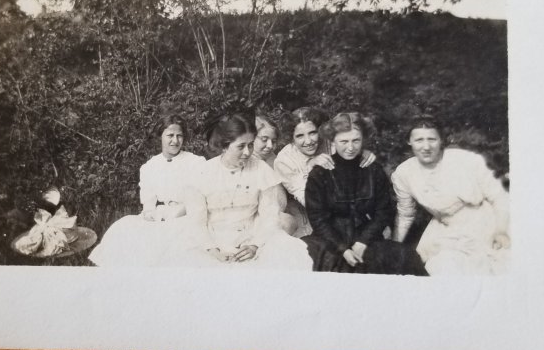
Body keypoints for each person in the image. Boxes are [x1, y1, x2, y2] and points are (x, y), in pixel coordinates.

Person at [172, 112, 313, 270]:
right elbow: (197, 222)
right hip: (212, 240)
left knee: (287, 257)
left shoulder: (260, 169)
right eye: (241, 146)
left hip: (252, 238)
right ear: (225, 146)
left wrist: (255, 245)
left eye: (251, 145)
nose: (247, 152)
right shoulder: (203, 173)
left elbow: (269, 216)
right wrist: (212, 250)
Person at [302, 113, 426, 275]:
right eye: (344, 141)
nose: (350, 147)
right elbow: (318, 219)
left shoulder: (374, 170)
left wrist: (362, 242)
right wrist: (343, 249)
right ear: (333, 141)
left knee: (405, 257)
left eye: (356, 140)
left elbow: (383, 212)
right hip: (330, 240)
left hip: (366, 239)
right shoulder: (319, 173)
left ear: (363, 140)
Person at [390, 115, 510, 275]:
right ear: (409, 141)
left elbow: (498, 196)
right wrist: (395, 248)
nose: (426, 146)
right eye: (419, 140)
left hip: (485, 223)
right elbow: (405, 215)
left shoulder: (465, 160)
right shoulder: (404, 173)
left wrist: (501, 230)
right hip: (444, 229)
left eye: (432, 139)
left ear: (441, 141)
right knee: (439, 269)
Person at [88, 114, 205, 266]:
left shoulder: (195, 163)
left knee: (173, 242)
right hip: (159, 215)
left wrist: (176, 214)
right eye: (170, 135)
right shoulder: (150, 166)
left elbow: (198, 198)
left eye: (179, 136)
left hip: (185, 214)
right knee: (123, 228)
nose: (175, 141)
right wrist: (150, 213)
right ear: (160, 137)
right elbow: (148, 203)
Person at [273, 107, 377, 238]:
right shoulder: (284, 161)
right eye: (300, 136)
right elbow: (307, 200)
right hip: (313, 218)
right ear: (291, 138)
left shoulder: (331, 143)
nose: (308, 141)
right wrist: (312, 168)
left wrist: (361, 153)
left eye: (312, 133)